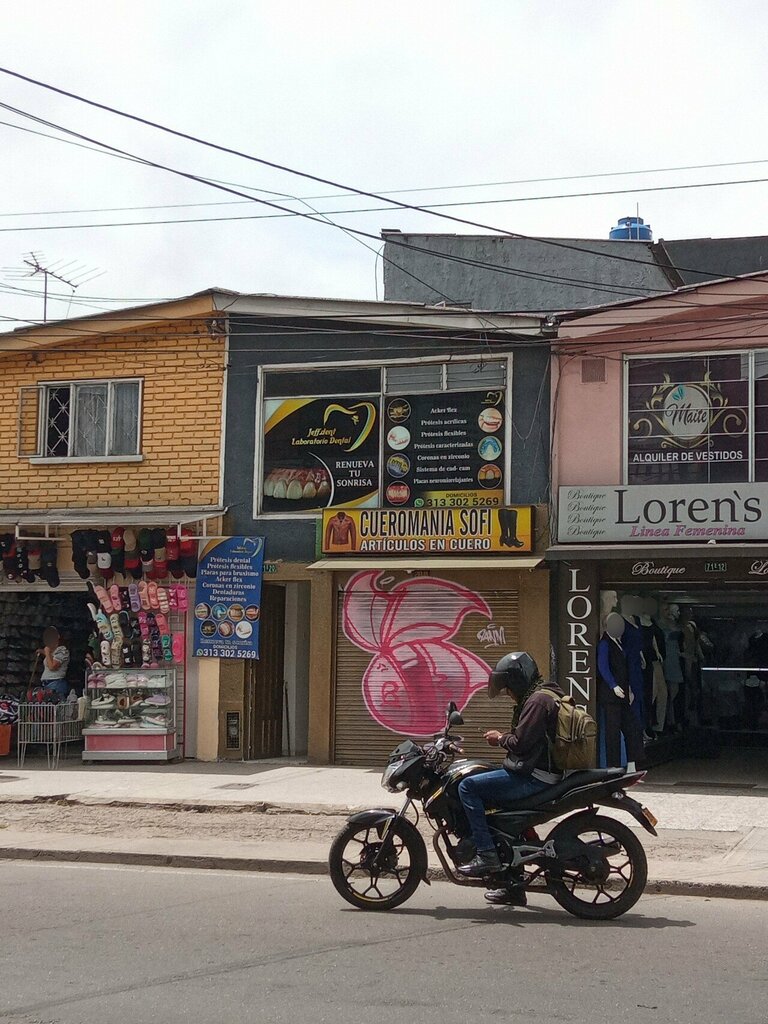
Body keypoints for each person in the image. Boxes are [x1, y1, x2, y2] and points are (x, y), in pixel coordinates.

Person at [457, 651, 563, 906]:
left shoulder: (537, 701)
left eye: (508, 688)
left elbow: (521, 742)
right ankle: (512, 886)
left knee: (468, 786)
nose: (507, 693)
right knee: (495, 798)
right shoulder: (544, 694)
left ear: (517, 681)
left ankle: (486, 854)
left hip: (536, 776)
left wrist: (499, 739)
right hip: (539, 770)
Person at [37, 626, 70, 700]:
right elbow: (53, 658)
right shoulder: (55, 651)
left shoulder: (62, 650)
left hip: (56, 684)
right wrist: (44, 652)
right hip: (48, 684)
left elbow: (52, 666)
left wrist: (47, 652)